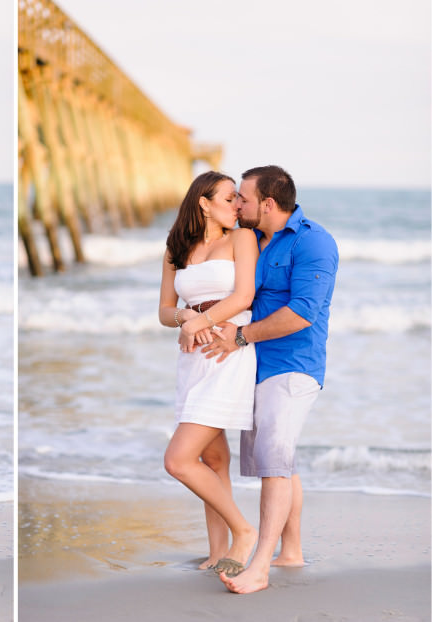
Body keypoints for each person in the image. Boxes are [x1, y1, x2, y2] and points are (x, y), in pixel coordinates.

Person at [201, 165, 338, 594]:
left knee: (274, 458)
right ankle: (291, 551)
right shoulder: (251, 238)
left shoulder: (314, 241)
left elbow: (302, 313)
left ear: (269, 204)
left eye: (242, 198)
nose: (236, 204)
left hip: (294, 366)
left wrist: (240, 336)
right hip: (252, 366)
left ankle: (259, 564)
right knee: (277, 460)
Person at [157, 171, 259, 577]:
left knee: (178, 460)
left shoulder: (241, 239)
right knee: (212, 458)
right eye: (230, 198)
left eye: (238, 198)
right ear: (204, 202)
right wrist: (186, 317)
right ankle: (218, 552)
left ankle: (243, 531)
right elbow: (165, 310)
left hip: (226, 354)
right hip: (192, 358)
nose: (238, 205)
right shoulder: (174, 248)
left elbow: (244, 296)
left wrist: (200, 323)